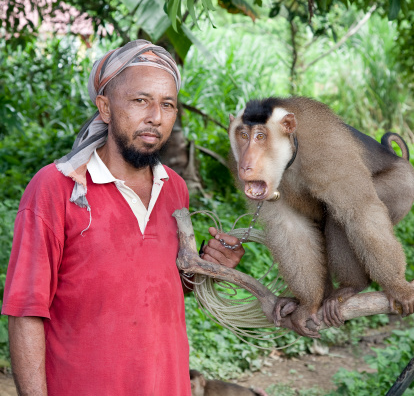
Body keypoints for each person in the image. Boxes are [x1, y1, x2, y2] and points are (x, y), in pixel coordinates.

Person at [1, 40, 244, 396]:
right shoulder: (57, 188)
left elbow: (161, 287)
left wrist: (207, 265)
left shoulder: (174, 188)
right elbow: (25, 311)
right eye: (140, 100)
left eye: (168, 104)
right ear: (105, 107)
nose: (156, 117)